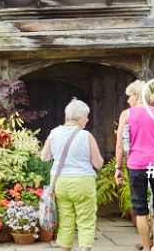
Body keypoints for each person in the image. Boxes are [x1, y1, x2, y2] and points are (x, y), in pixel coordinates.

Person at [114, 81, 154, 251]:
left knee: (139, 209)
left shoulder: (126, 115)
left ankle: (147, 248)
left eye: (129, 97)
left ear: (136, 96)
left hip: (136, 165)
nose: (128, 101)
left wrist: (118, 168)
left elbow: (119, 144)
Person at [40, 98, 105, 251]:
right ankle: (84, 248)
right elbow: (98, 163)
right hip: (83, 182)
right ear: (80, 117)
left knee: (66, 220)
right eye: (86, 116)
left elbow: (44, 157)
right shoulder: (86, 136)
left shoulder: (54, 133)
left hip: (60, 182)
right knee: (86, 220)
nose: (87, 119)